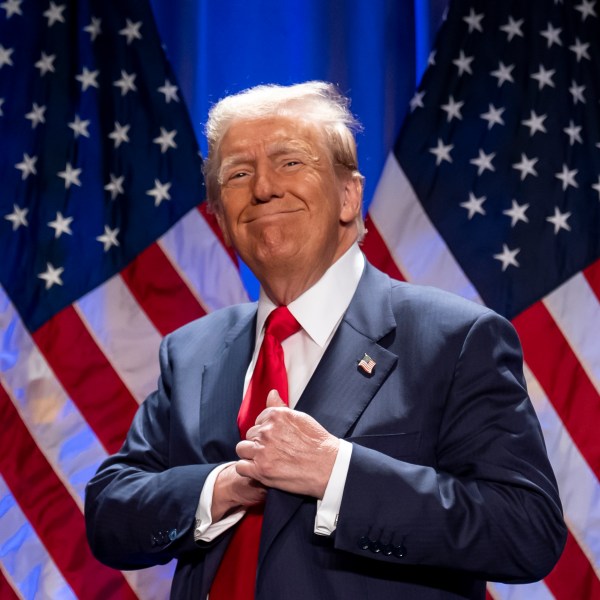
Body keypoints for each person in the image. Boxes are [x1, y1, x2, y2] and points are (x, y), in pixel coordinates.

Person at [85, 81, 566, 599]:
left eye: (290, 162)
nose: (264, 188)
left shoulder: (456, 338)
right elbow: (111, 512)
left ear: (348, 195)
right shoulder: (190, 351)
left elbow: (527, 530)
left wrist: (337, 473)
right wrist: (220, 487)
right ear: (221, 218)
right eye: (239, 174)